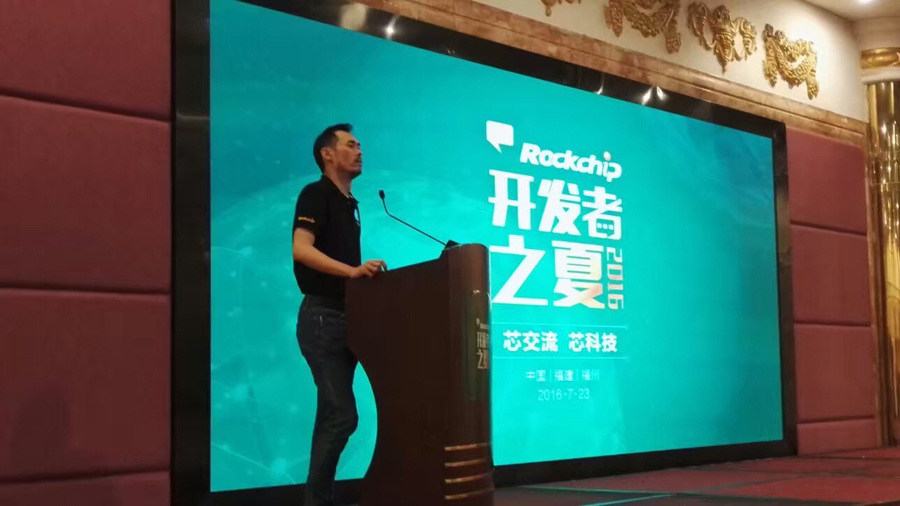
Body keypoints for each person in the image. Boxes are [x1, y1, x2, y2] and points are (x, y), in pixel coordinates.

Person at [292, 123, 386, 506]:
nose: (360, 151)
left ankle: (318, 499)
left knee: (331, 416)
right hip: (322, 319)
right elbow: (301, 249)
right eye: (350, 144)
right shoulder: (316, 194)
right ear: (327, 154)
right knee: (343, 416)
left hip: (347, 318)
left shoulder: (350, 204)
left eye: (360, 145)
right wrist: (352, 271)